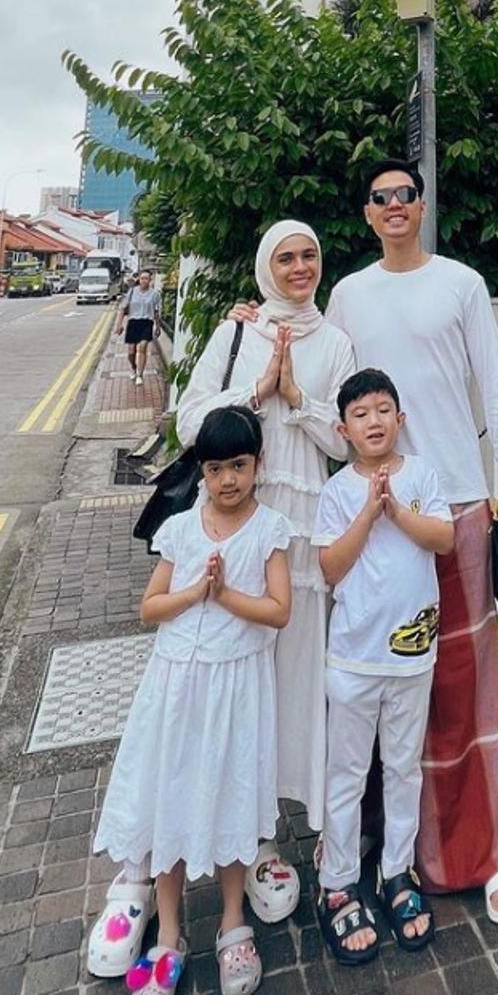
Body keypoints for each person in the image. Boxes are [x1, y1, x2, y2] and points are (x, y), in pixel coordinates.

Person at [325, 160, 498, 925]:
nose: (394, 207)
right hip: (379, 508)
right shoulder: (347, 294)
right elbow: (329, 398)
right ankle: (382, 851)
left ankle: (485, 847)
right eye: (380, 197)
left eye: (405, 196)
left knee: (465, 680)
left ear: (421, 205)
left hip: (456, 500)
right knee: (383, 676)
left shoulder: (461, 282)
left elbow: (493, 384)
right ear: (367, 211)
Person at [87, 405, 291, 995]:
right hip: (175, 690)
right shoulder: (180, 527)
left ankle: (233, 925)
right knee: (169, 806)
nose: (228, 479)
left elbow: (280, 610)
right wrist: (194, 593)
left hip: (236, 689)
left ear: (257, 465)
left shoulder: (271, 529)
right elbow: (150, 608)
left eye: (239, 465)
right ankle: (169, 935)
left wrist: (226, 595)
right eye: (215, 468)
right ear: (200, 471)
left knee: (229, 801)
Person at [177, 220, 354, 920]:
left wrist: (296, 397)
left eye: (309, 254)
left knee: (297, 674)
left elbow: (344, 441)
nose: (299, 266)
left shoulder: (336, 342)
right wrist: (256, 389)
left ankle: (289, 821)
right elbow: (190, 421)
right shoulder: (236, 332)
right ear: (264, 266)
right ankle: (244, 836)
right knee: (232, 670)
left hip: (305, 527)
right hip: (235, 523)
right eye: (285, 256)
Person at [312, 368, 454, 964]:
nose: (373, 421)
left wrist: (396, 510)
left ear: (401, 419)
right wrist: (369, 513)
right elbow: (330, 568)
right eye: (361, 414)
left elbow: (444, 539)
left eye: (383, 410)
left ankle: (398, 872)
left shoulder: (421, 475)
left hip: (412, 658)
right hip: (352, 656)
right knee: (346, 774)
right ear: (343, 429)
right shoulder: (338, 491)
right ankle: (338, 882)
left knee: (403, 768)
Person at [118, 270, 161, 385]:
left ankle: (139, 375)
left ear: (150, 280)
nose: (144, 281)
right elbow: (123, 308)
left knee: (142, 347)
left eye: (146, 278)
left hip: (147, 323)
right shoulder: (132, 292)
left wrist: (158, 326)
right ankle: (133, 366)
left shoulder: (155, 294)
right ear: (139, 279)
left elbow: (156, 311)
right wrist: (119, 325)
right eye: (142, 278)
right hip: (133, 322)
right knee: (131, 352)